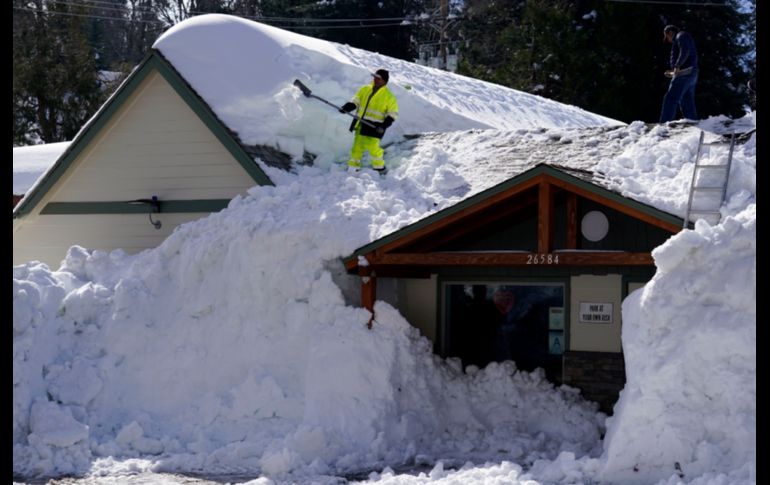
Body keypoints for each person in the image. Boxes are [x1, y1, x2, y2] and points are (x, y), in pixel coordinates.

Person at [338, 69, 399, 172]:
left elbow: (392, 114)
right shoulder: (365, 89)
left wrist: (384, 126)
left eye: (378, 78)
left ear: (384, 81)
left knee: (373, 148)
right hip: (361, 123)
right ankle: (353, 167)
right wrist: (347, 107)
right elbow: (356, 101)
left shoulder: (389, 97)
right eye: (375, 77)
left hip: (376, 127)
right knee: (357, 147)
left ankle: (379, 168)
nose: (375, 79)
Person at [659, 25, 699, 123]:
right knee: (686, 100)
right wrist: (673, 72)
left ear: (671, 32)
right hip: (691, 72)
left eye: (667, 36)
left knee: (671, 98)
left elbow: (685, 50)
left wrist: (677, 65)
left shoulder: (681, 35)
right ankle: (692, 122)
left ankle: (664, 124)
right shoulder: (682, 37)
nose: (668, 39)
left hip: (684, 73)